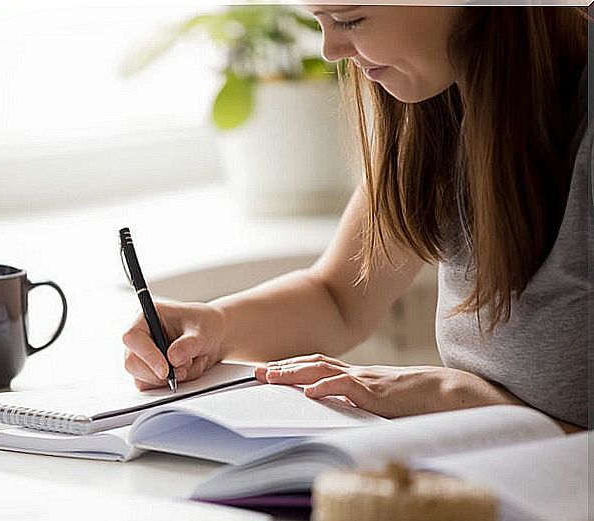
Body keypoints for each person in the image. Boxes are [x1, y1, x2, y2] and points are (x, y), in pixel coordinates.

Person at [122, 6, 590, 431]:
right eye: (318, 22)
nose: (330, 51)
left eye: (349, 20)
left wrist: (449, 395)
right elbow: (338, 297)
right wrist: (216, 326)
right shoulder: (437, 111)